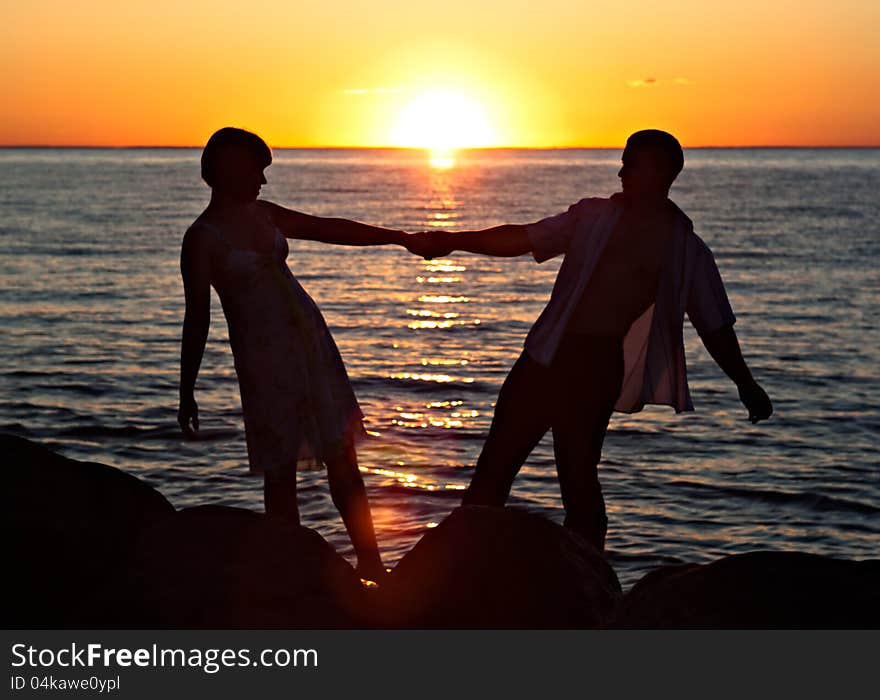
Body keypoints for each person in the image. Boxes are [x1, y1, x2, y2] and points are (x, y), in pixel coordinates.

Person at [408, 129, 773, 553]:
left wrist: (746, 384)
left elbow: (715, 327)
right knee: (494, 468)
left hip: (597, 367)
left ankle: (588, 578)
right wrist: (453, 241)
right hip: (543, 358)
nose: (620, 171)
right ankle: (460, 567)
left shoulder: (686, 250)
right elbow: (524, 237)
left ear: (659, 172)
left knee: (578, 476)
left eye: (630, 163)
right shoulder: (591, 217)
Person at [177, 127, 417, 582]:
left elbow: (327, 229)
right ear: (228, 170)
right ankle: (290, 573)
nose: (263, 182)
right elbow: (197, 319)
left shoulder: (265, 215)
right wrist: (186, 390)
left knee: (342, 456)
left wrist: (398, 236)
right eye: (257, 170)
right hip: (265, 363)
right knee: (279, 467)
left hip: (312, 346)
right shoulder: (202, 239)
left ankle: (371, 561)